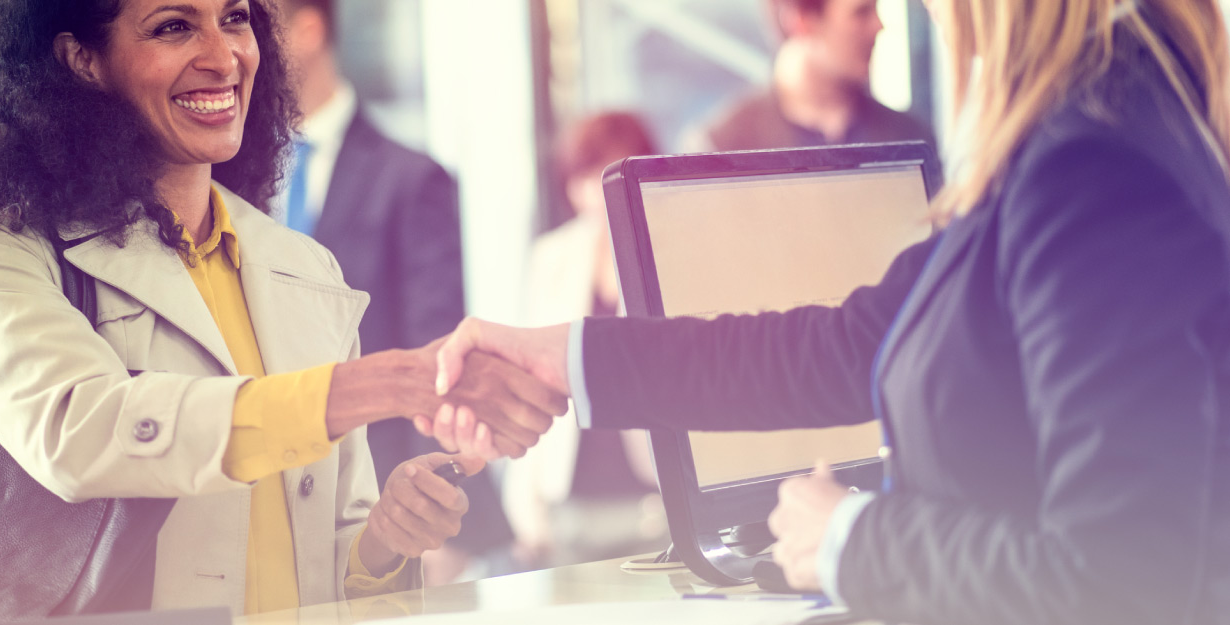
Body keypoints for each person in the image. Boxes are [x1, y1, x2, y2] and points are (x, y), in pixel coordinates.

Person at [427, 1, 1230, 623]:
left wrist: (851, 539)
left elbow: (1125, 574)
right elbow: (844, 346)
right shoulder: (1070, 142)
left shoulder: (1095, 168)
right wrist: (566, 356)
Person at [0, 0, 563, 616]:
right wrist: (389, 383)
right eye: (174, 26)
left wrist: (386, 542)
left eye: (235, 18)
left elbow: (332, 575)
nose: (224, 55)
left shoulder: (305, 268)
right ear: (82, 59)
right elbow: (78, 432)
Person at [277, 0, 514, 584]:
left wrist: (429, 512)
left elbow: (433, 354)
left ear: (309, 29)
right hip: (269, 490)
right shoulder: (233, 183)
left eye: (252, 25)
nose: (235, 50)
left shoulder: (409, 178)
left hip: (377, 490)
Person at [505, 111, 666, 568]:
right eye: (584, 175)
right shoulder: (552, 256)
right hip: (569, 496)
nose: (595, 189)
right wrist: (526, 503)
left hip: (652, 493)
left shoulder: (665, 243)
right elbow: (529, 370)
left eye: (610, 171)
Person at [683, 0, 934, 152]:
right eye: (861, 12)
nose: (880, 25)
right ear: (802, 22)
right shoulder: (722, 144)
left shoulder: (911, 137)